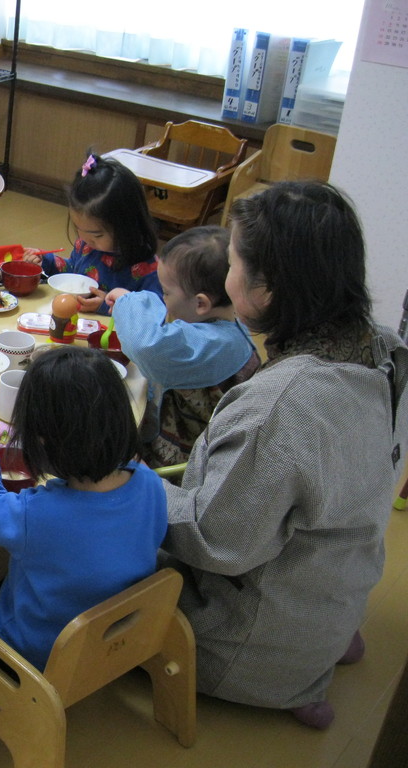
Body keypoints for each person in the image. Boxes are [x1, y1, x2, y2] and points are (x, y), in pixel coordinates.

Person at [161, 182, 408, 730]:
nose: (227, 275)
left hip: (248, 641)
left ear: (266, 289)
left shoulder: (282, 407)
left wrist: (134, 485)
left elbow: (216, 543)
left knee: (99, 562)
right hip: (332, 596)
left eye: (231, 262)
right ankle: (317, 653)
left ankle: (282, 681)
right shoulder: (380, 346)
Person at [0, 347, 167, 669]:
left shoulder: (37, 516)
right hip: (113, 643)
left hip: (35, 657)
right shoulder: (150, 483)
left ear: (40, 439)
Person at [105, 225, 261, 468]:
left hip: (179, 466)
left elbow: (146, 344)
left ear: (201, 303)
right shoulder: (230, 325)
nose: (161, 300)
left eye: (165, 293)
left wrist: (130, 301)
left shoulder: (216, 344)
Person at [23, 153, 161, 314]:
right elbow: (73, 272)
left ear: (127, 225)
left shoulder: (148, 268)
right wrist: (45, 261)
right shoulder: (87, 245)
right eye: (78, 228)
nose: (84, 239)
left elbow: (153, 316)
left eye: (97, 235)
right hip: (77, 324)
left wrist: (106, 305)